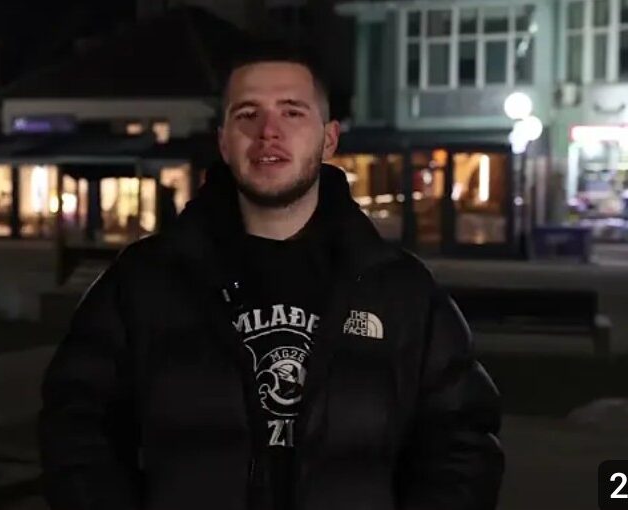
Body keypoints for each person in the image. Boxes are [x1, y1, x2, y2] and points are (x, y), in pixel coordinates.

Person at [39, 47, 504, 510]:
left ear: (328, 138)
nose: (268, 132)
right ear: (224, 142)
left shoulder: (400, 291)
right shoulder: (144, 281)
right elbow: (76, 427)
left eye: (292, 112)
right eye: (247, 114)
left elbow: (461, 443)